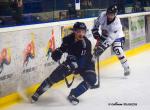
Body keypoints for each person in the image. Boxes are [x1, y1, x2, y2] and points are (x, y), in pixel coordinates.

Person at [31, 22, 97, 105]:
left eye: (83, 31)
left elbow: (83, 60)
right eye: (78, 31)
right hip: (72, 62)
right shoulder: (67, 39)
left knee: (91, 79)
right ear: (74, 31)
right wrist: (58, 52)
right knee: (53, 77)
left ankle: (73, 94)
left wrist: (75, 67)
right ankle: (37, 93)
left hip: (86, 64)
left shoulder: (86, 43)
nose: (81, 34)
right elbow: (63, 48)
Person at [92, 4, 130, 76]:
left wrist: (102, 47)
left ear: (115, 14)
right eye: (108, 14)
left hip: (117, 37)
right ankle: (90, 70)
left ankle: (126, 67)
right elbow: (96, 23)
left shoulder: (117, 24)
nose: (109, 16)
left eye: (111, 14)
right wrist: (95, 30)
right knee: (95, 53)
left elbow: (111, 39)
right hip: (105, 35)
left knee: (117, 49)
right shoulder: (102, 15)